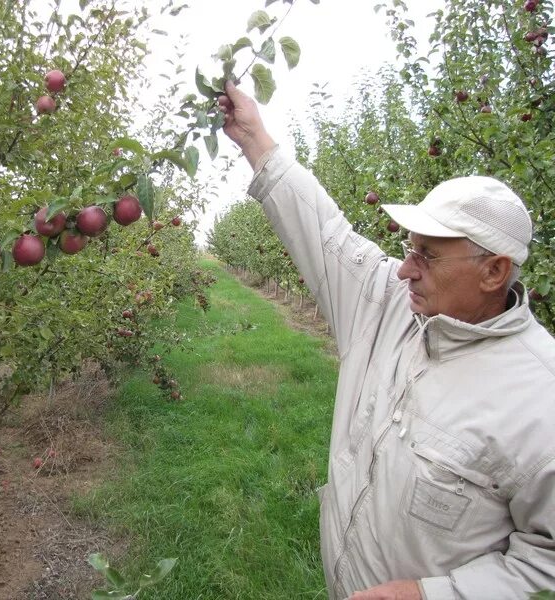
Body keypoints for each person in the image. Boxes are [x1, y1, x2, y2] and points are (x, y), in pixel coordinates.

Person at [218, 81, 555, 600]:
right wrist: (253, 137)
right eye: (409, 247)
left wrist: (431, 595)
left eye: (428, 254)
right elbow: (328, 234)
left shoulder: (541, 398)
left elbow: (546, 562)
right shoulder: (390, 309)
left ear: (494, 271)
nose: (405, 268)